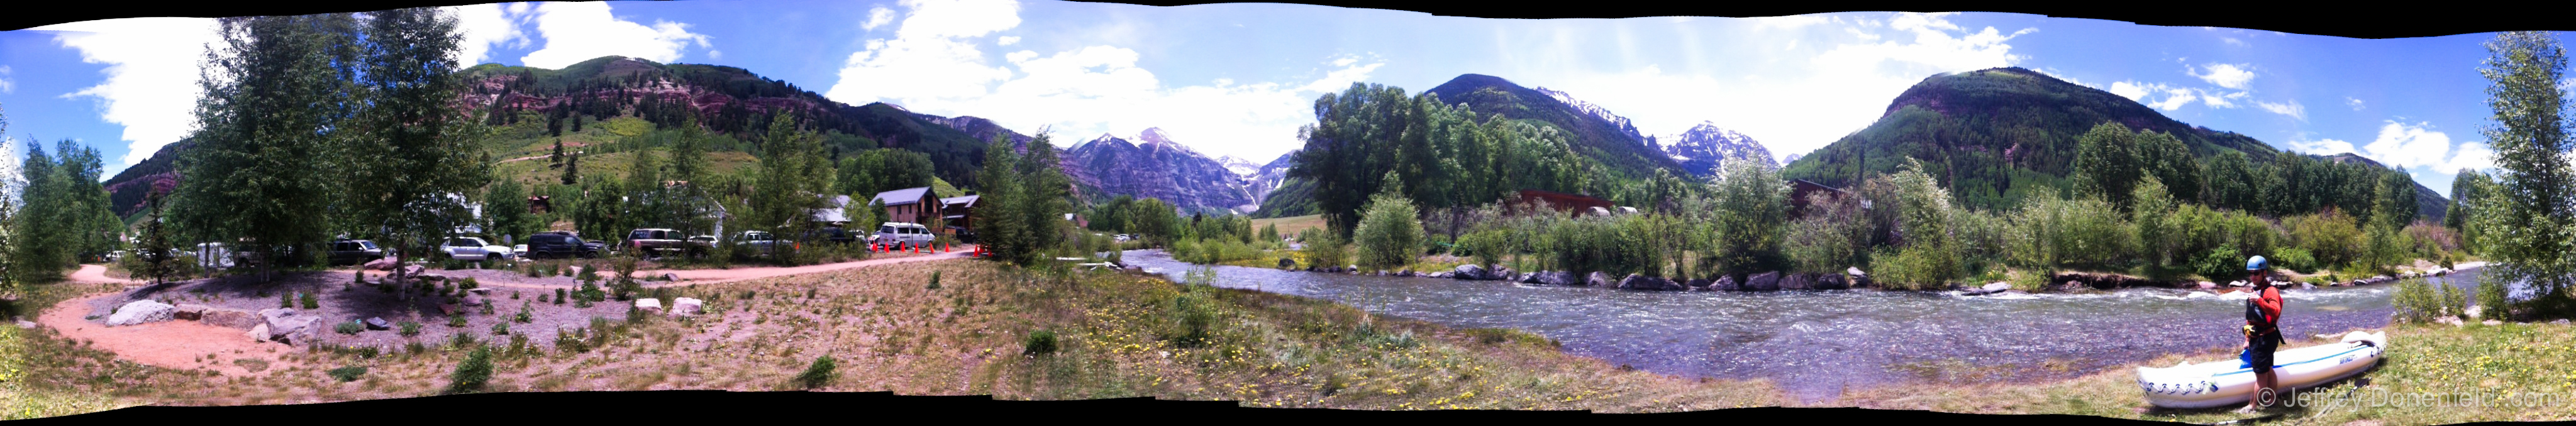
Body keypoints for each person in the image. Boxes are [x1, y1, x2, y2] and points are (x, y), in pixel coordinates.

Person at [2238, 255, 2287, 413]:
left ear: (2264, 273)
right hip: (2257, 337)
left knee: (2260, 374)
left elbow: (2276, 311)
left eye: (2256, 273)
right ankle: (2272, 401)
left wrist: (2259, 300)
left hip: (2266, 338)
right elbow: (2250, 318)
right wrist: (2247, 339)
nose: (2253, 276)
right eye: (2251, 273)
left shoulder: (2270, 292)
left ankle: (2252, 406)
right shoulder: (2255, 291)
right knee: (2267, 370)